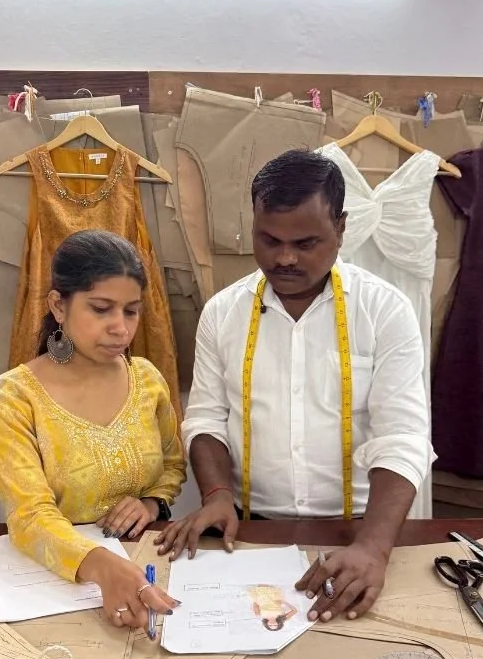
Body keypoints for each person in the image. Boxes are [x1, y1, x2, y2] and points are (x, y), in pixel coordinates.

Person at [160, 149, 430, 625]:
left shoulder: (386, 310)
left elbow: (402, 437)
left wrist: (372, 546)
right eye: (269, 240)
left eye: (306, 243)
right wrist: (217, 494)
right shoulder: (223, 313)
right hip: (249, 531)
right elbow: (206, 419)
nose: (284, 258)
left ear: (341, 228)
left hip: (361, 532)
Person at [0, 229, 183, 636]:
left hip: (149, 560)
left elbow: (172, 466)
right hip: (55, 583)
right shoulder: (12, 398)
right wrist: (104, 567)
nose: (120, 328)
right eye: (101, 309)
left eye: (131, 311)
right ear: (59, 305)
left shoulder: (146, 379)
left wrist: (151, 504)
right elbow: (30, 516)